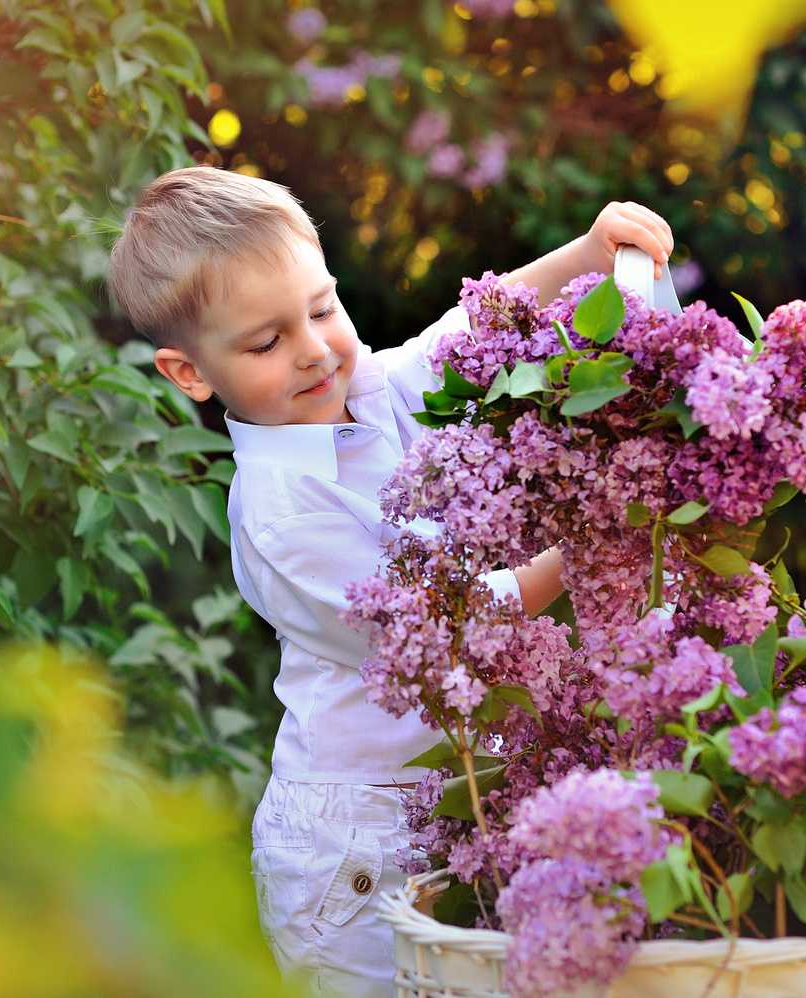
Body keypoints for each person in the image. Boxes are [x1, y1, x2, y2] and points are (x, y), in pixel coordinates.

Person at [108, 165, 675, 996]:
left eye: (321, 309)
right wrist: (587, 543)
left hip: (453, 799)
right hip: (353, 855)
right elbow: (445, 625)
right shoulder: (280, 513)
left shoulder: (364, 391)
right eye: (266, 343)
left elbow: (467, 335)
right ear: (190, 374)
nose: (311, 350)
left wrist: (586, 255)